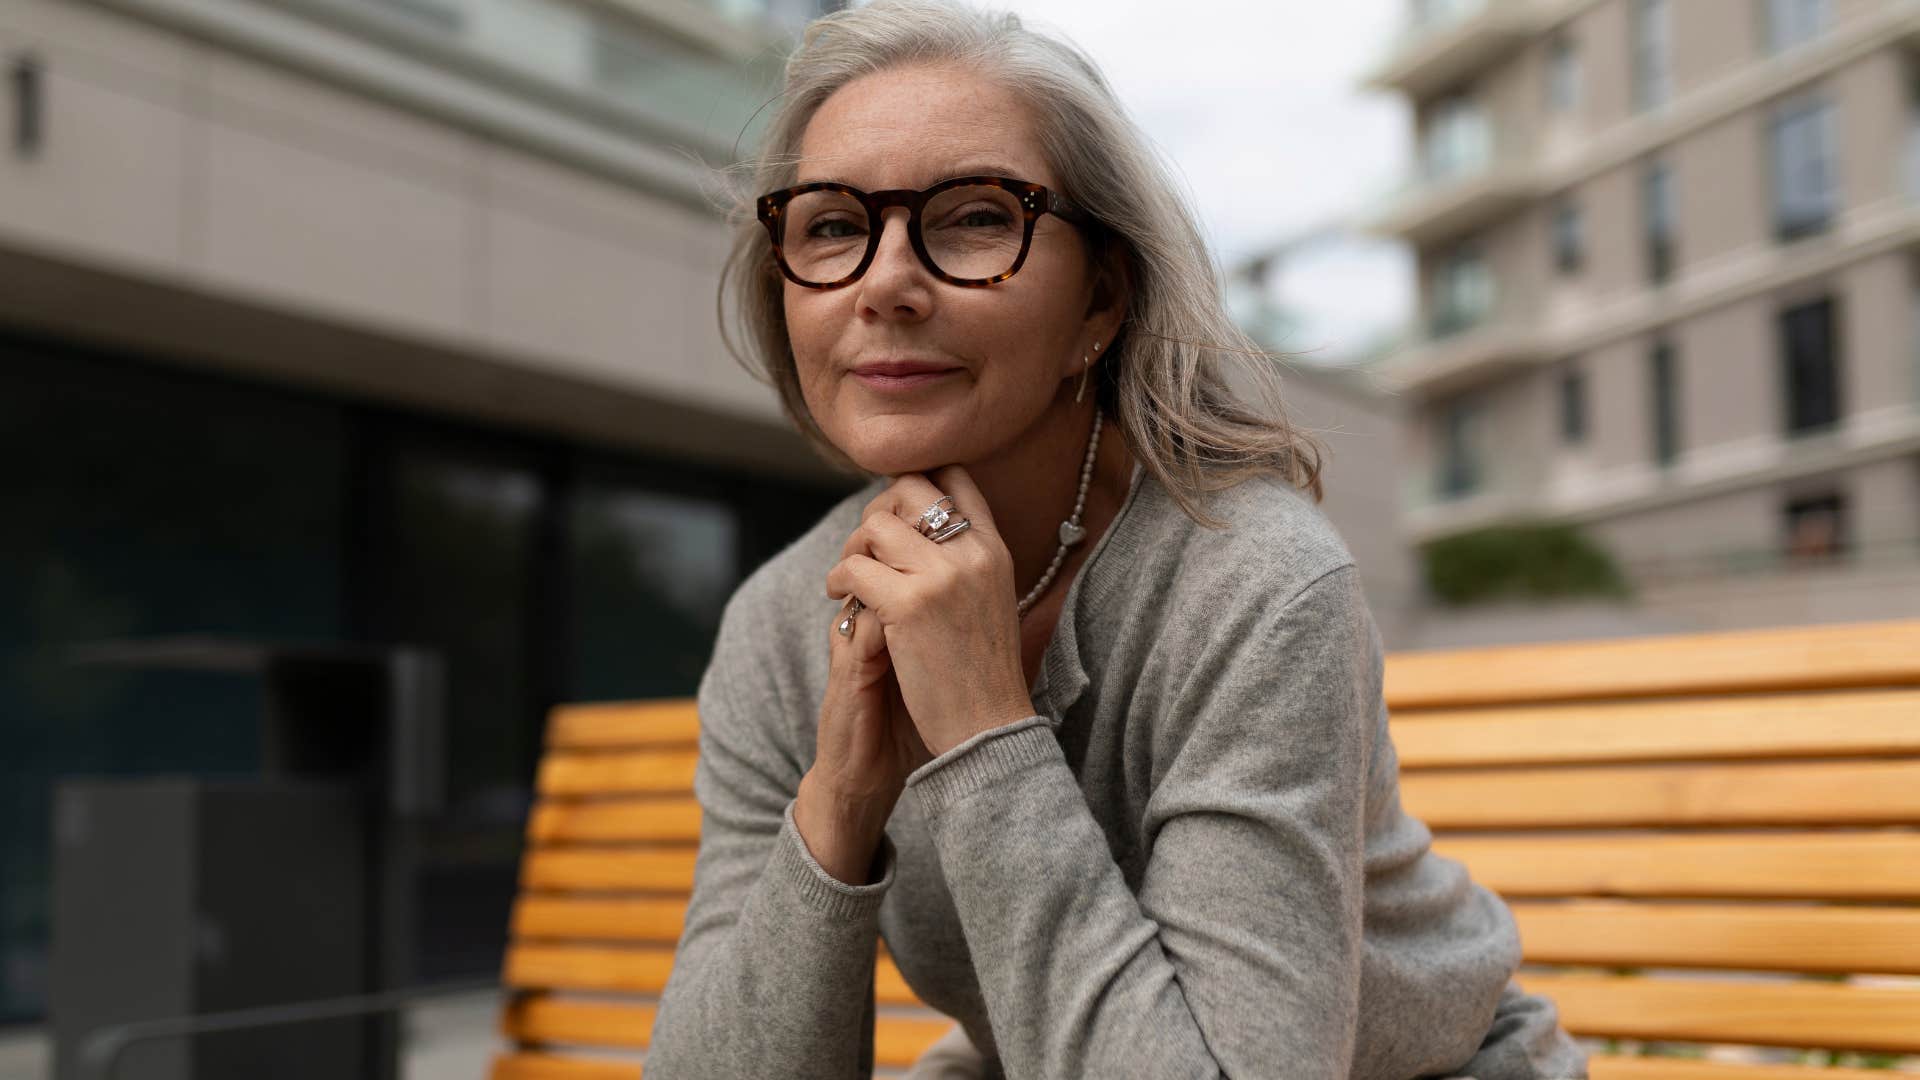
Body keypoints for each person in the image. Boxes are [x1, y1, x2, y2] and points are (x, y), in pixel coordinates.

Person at [643, 1, 1590, 1077]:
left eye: (972, 218)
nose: (885, 283)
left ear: (1099, 299)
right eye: (830, 226)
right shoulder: (780, 624)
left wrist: (983, 733)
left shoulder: (1254, 585)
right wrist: (842, 800)